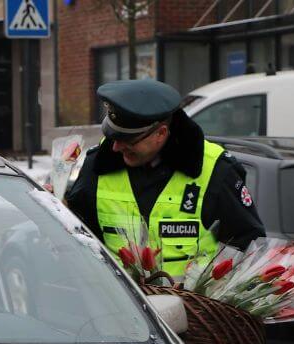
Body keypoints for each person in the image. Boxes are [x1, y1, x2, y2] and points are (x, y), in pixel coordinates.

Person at [66, 79, 265, 278]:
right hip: (120, 306)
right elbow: (78, 237)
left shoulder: (217, 170)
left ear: (160, 133)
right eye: (112, 137)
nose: (115, 147)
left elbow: (247, 246)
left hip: (194, 308)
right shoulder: (98, 165)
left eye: (127, 140)